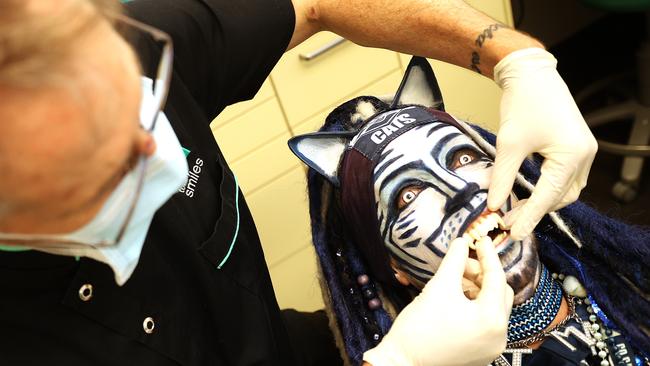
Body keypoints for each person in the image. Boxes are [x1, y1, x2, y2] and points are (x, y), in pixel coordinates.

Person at [0, 0, 596, 365]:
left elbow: (316, 0)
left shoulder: (107, 43)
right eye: (101, 165)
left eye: (134, 98)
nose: (158, 147)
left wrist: (513, 56)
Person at [288, 56, 650, 365]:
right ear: (394, 266)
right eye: (409, 196)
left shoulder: (611, 279)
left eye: (463, 158)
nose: (459, 190)